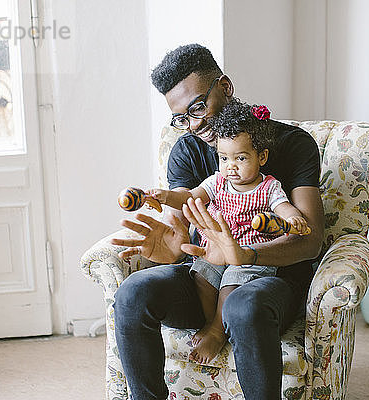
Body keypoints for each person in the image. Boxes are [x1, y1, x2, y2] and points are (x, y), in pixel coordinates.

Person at [111, 43, 324, 399]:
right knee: (132, 293)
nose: (194, 125)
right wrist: (170, 249)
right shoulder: (186, 151)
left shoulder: (293, 144)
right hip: (206, 275)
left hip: (268, 282)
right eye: (182, 118)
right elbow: (179, 223)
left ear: (225, 88)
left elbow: (311, 239)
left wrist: (246, 255)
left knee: (244, 306)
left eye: (197, 107)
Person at [148, 98, 310, 364]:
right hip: (213, 252)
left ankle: (216, 331)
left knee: (231, 282)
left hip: (248, 253)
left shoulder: (268, 187)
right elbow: (189, 197)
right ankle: (213, 320)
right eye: (224, 158)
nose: (230, 166)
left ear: (262, 157)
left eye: (241, 158)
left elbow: (284, 208)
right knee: (202, 274)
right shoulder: (217, 182)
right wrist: (165, 196)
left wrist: (295, 218)